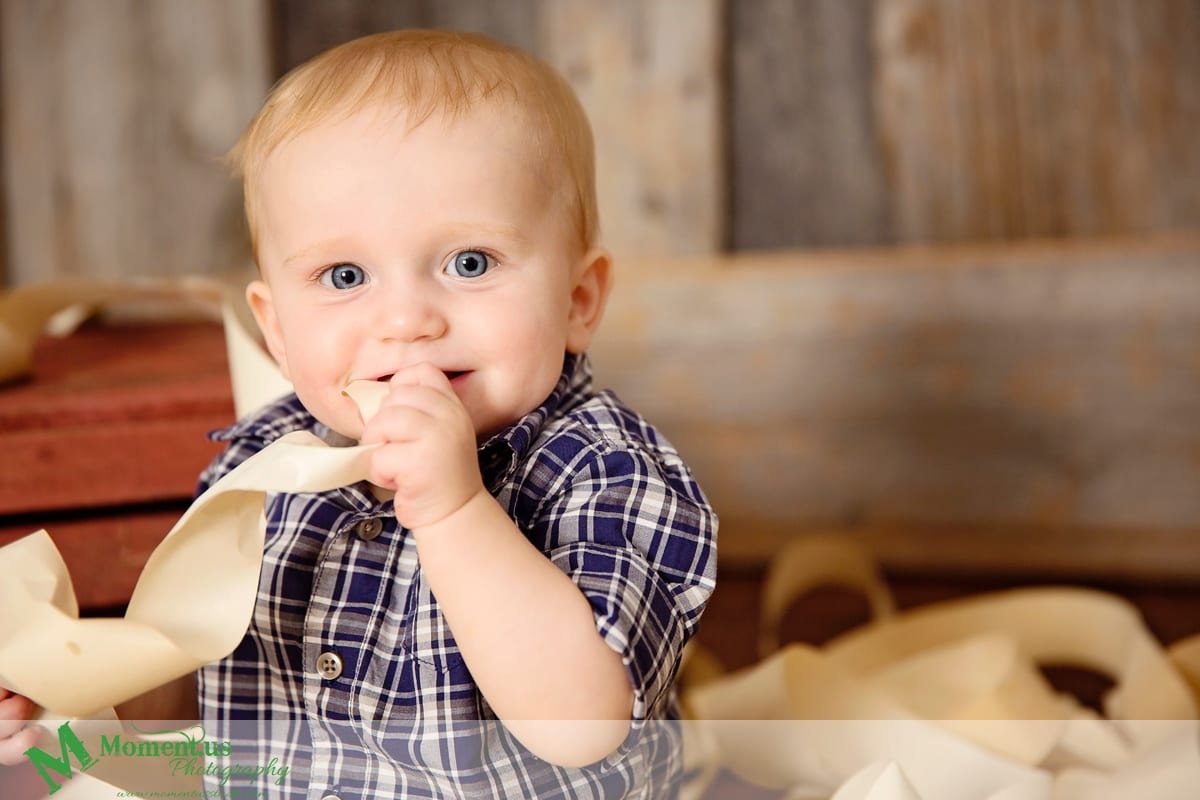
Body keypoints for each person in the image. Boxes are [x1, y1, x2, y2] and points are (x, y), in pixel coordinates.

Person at [0, 29, 717, 798]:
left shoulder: (605, 470)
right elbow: (196, 686)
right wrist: (77, 702)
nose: (405, 319)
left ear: (578, 301)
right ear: (276, 330)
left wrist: (455, 511)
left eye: (469, 263)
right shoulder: (263, 469)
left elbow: (583, 724)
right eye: (344, 275)